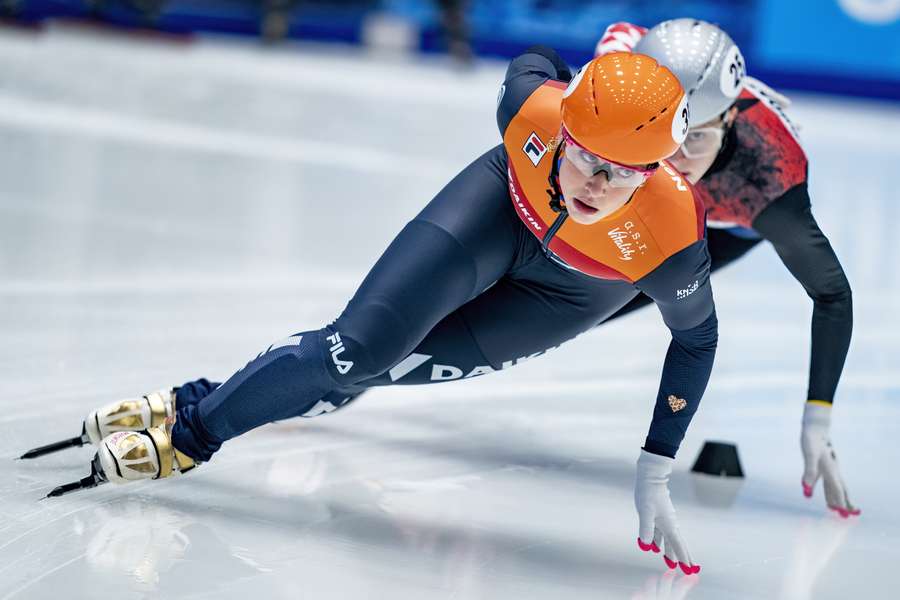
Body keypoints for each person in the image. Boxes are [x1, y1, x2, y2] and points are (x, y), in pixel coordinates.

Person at [36, 48, 714, 574]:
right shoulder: (528, 106)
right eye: (586, 158)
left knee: (374, 374)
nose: (595, 185)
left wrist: (657, 458)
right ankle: (188, 438)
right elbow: (535, 59)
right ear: (562, 125)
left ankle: (197, 401)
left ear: (654, 171)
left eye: (621, 173)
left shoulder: (671, 236)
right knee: (353, 351)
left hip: (570, 292)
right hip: (495, 212)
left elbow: (695, 342)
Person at [595, 19, 858, 517]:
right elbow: (620, 31)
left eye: (694, 138)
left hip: (723, 224)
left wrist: (816, 420)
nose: (673, 153)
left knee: (607, 297)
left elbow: (832, 294)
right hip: (650, 190)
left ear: (731, 118)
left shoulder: (768, 182)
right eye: (663, 128)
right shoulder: (627, 62)